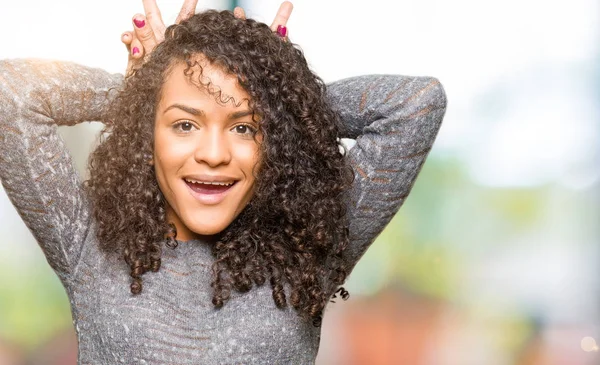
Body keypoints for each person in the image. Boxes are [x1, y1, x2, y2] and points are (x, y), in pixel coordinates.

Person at [0, 1, 447, 364]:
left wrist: (282, 91)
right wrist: (145, 90)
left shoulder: (310, 245)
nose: (213, 154)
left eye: (244, 127)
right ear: (147, 131)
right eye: (184, 125)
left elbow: (414, 105)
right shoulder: (87, 244)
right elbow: (11, 93)